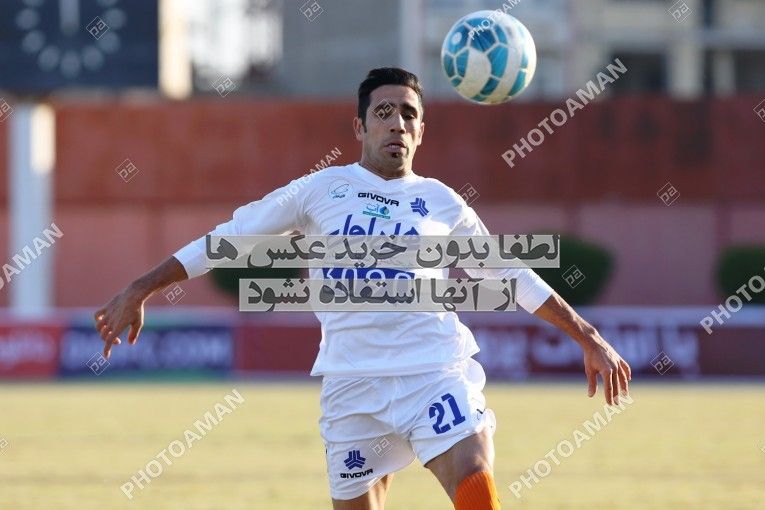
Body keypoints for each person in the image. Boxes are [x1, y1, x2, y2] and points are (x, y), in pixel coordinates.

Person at [94, 67, 631, 510]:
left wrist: (587, 336)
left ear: (421, 131)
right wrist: (142, 287)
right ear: (359, 126)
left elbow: (508, 274)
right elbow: (229, 238)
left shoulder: (443, 203)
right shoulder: (319, 190)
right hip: (352, 385)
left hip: (431, 371)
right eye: (383, 112)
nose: (397, 123)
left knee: (475, 484)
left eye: (409, 114)